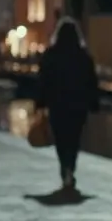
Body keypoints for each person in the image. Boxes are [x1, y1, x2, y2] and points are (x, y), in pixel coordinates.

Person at [34, 18, 100, 192]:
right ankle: (70, 167)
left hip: (57, 104)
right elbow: (91, 82)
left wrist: (40, 102)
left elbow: (43, 81)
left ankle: (65, 168)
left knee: (61, 139)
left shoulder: (50, 55)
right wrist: (94, 103)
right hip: (78, 105)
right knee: (74, 138)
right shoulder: (83, 57)